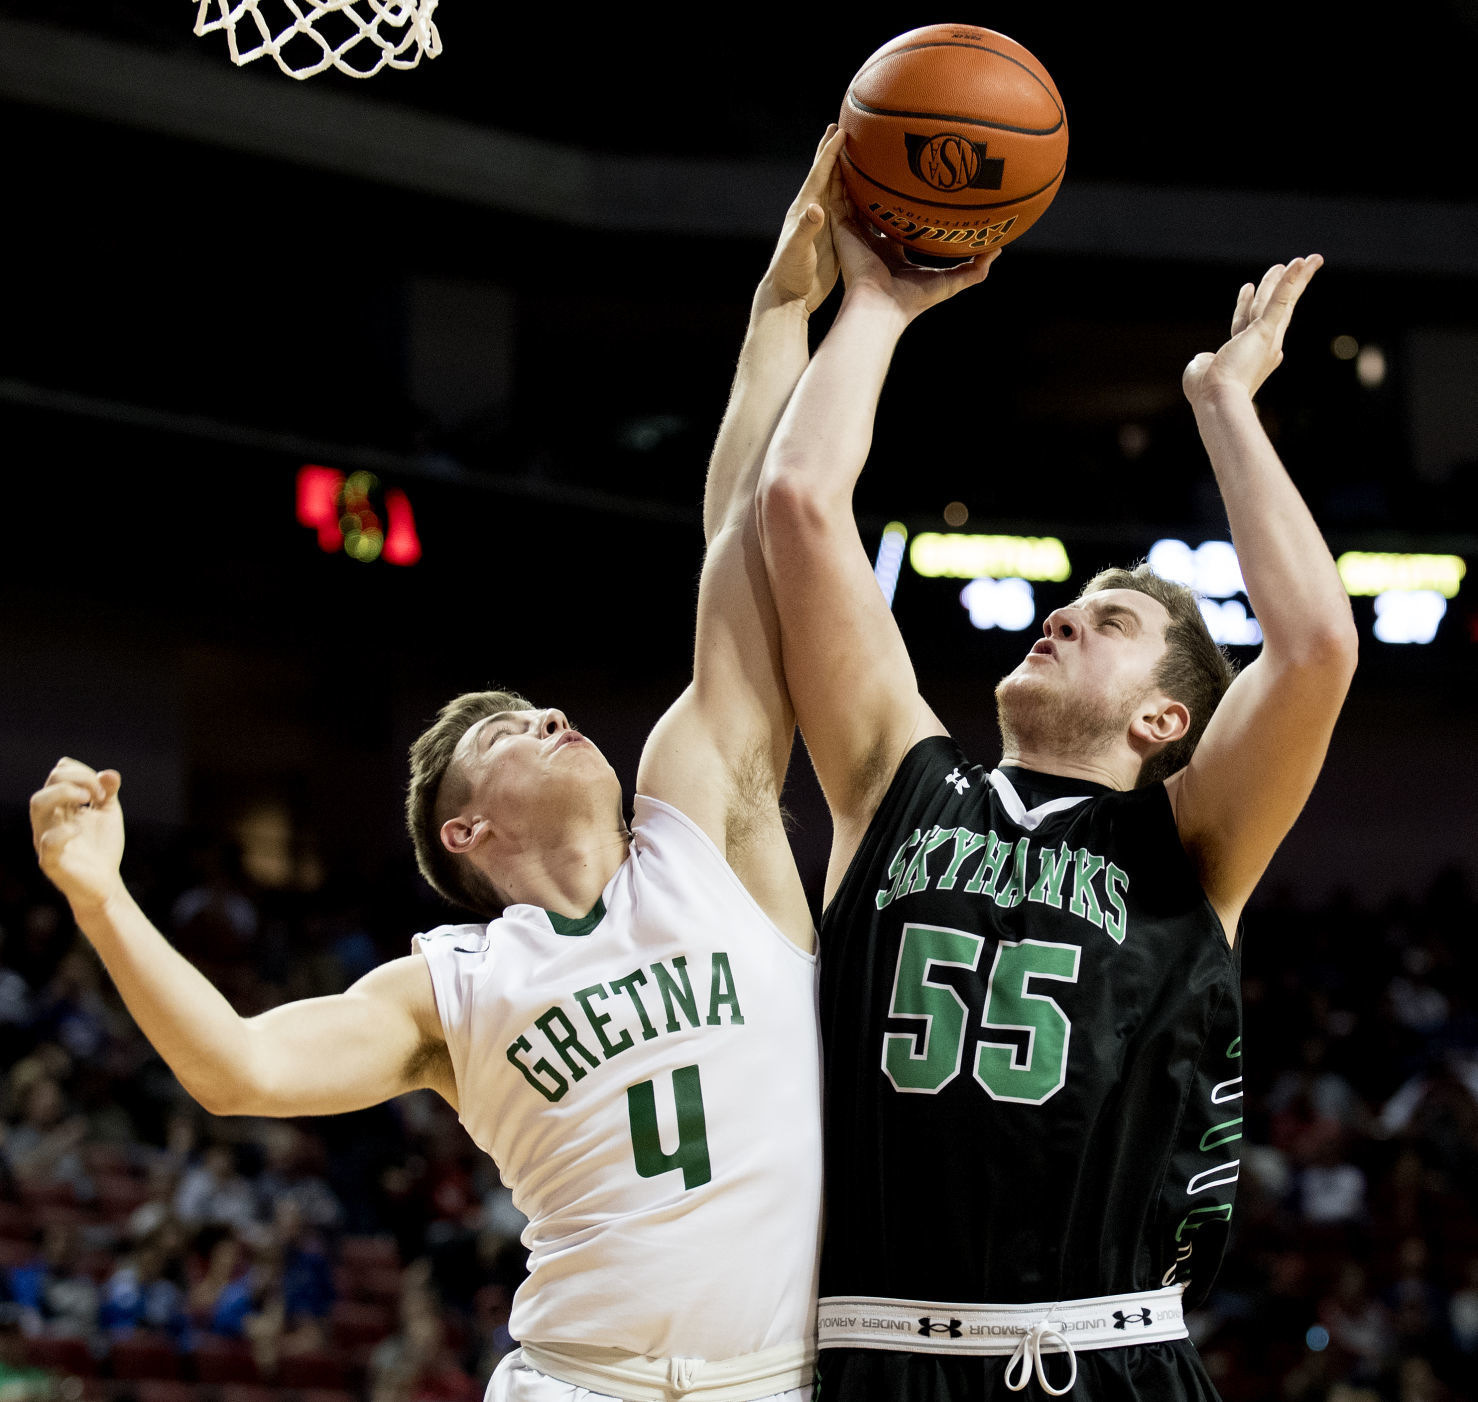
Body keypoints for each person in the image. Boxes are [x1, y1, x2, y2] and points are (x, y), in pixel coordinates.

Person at [29, 129, 851, 1402]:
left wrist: (779, 312)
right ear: (462, 833)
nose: (549, 715)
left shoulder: (709, 828)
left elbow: (738, 549)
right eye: (503, 728)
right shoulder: (448, 987)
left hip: (782, 1374)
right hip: (580, 1382)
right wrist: (99, 896)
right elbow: (236, 1070)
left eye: (542, 708)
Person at [755, 184, 1358, 1399]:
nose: (1065, 611)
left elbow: (1314, 650)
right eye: (1073, 602)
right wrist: (873, 302)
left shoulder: (1191, 838)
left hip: (1101, 1357)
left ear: (1163, 718)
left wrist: (1220, 402)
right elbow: (799, 507)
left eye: (1112, 620)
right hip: (875, 1353)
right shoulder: (893, 783)